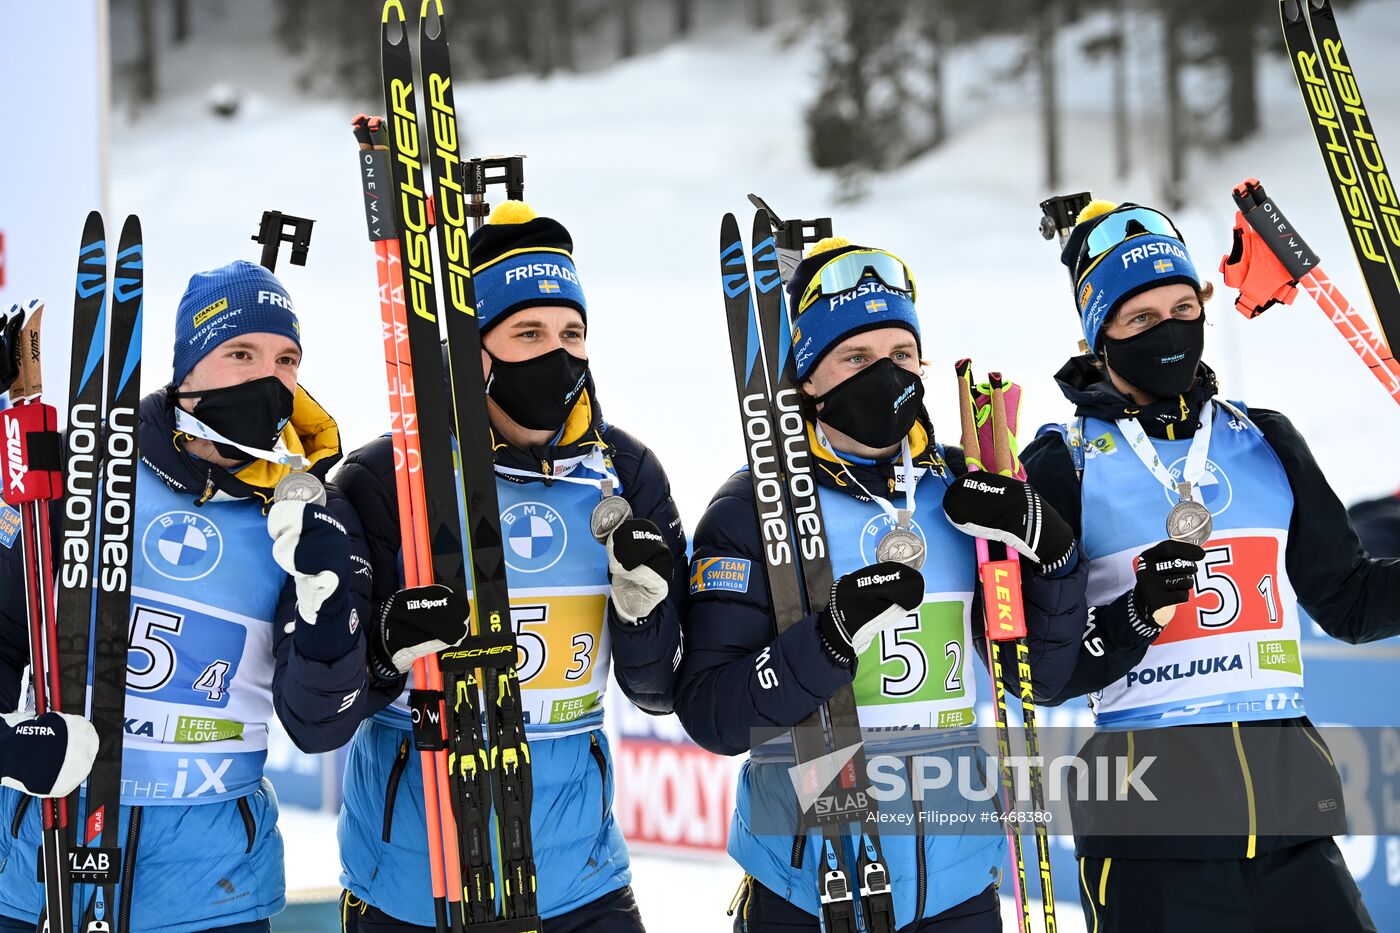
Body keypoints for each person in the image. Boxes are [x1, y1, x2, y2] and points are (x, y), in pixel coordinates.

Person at [676, 235, 1088, 931]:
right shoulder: (753, 506)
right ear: (808, 378)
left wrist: (1051, 551)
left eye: (901, 354)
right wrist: (829, 636)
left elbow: (1039, 675)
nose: (886, 375)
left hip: (957, 889)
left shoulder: (967, 490)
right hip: (810, 886)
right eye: (857, 358)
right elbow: (713, 714)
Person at [1022, 199, 1400, 933]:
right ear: (1100, 337)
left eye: (1183, 306)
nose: (1168, 328)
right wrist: (1134, 616)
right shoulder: (1062, 465)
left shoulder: (1264, 440)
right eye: (1139, 319)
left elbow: (1350, 603)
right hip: (1152, 847)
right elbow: (1041, 669)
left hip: (1293, 830)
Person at [0, 261, 395, 932]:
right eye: (241, 352)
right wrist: (10, 748)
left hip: (214, 893)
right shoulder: (83, 473)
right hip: (43, 874)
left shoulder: (311, 509)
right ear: (189, 367)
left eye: (286, 358)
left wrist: (328, 608)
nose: (268, 377)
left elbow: (319, 725)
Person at [335, 201, 688, 932]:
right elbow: (322, 708)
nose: (556, 354)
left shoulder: (624, 472)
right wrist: (382, 652)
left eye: (571, 333)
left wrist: (645, 614)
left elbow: (656, 690)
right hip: (414, 886)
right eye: (528, 332)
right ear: (476, 351)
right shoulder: (385, 477)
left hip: (580, 880)